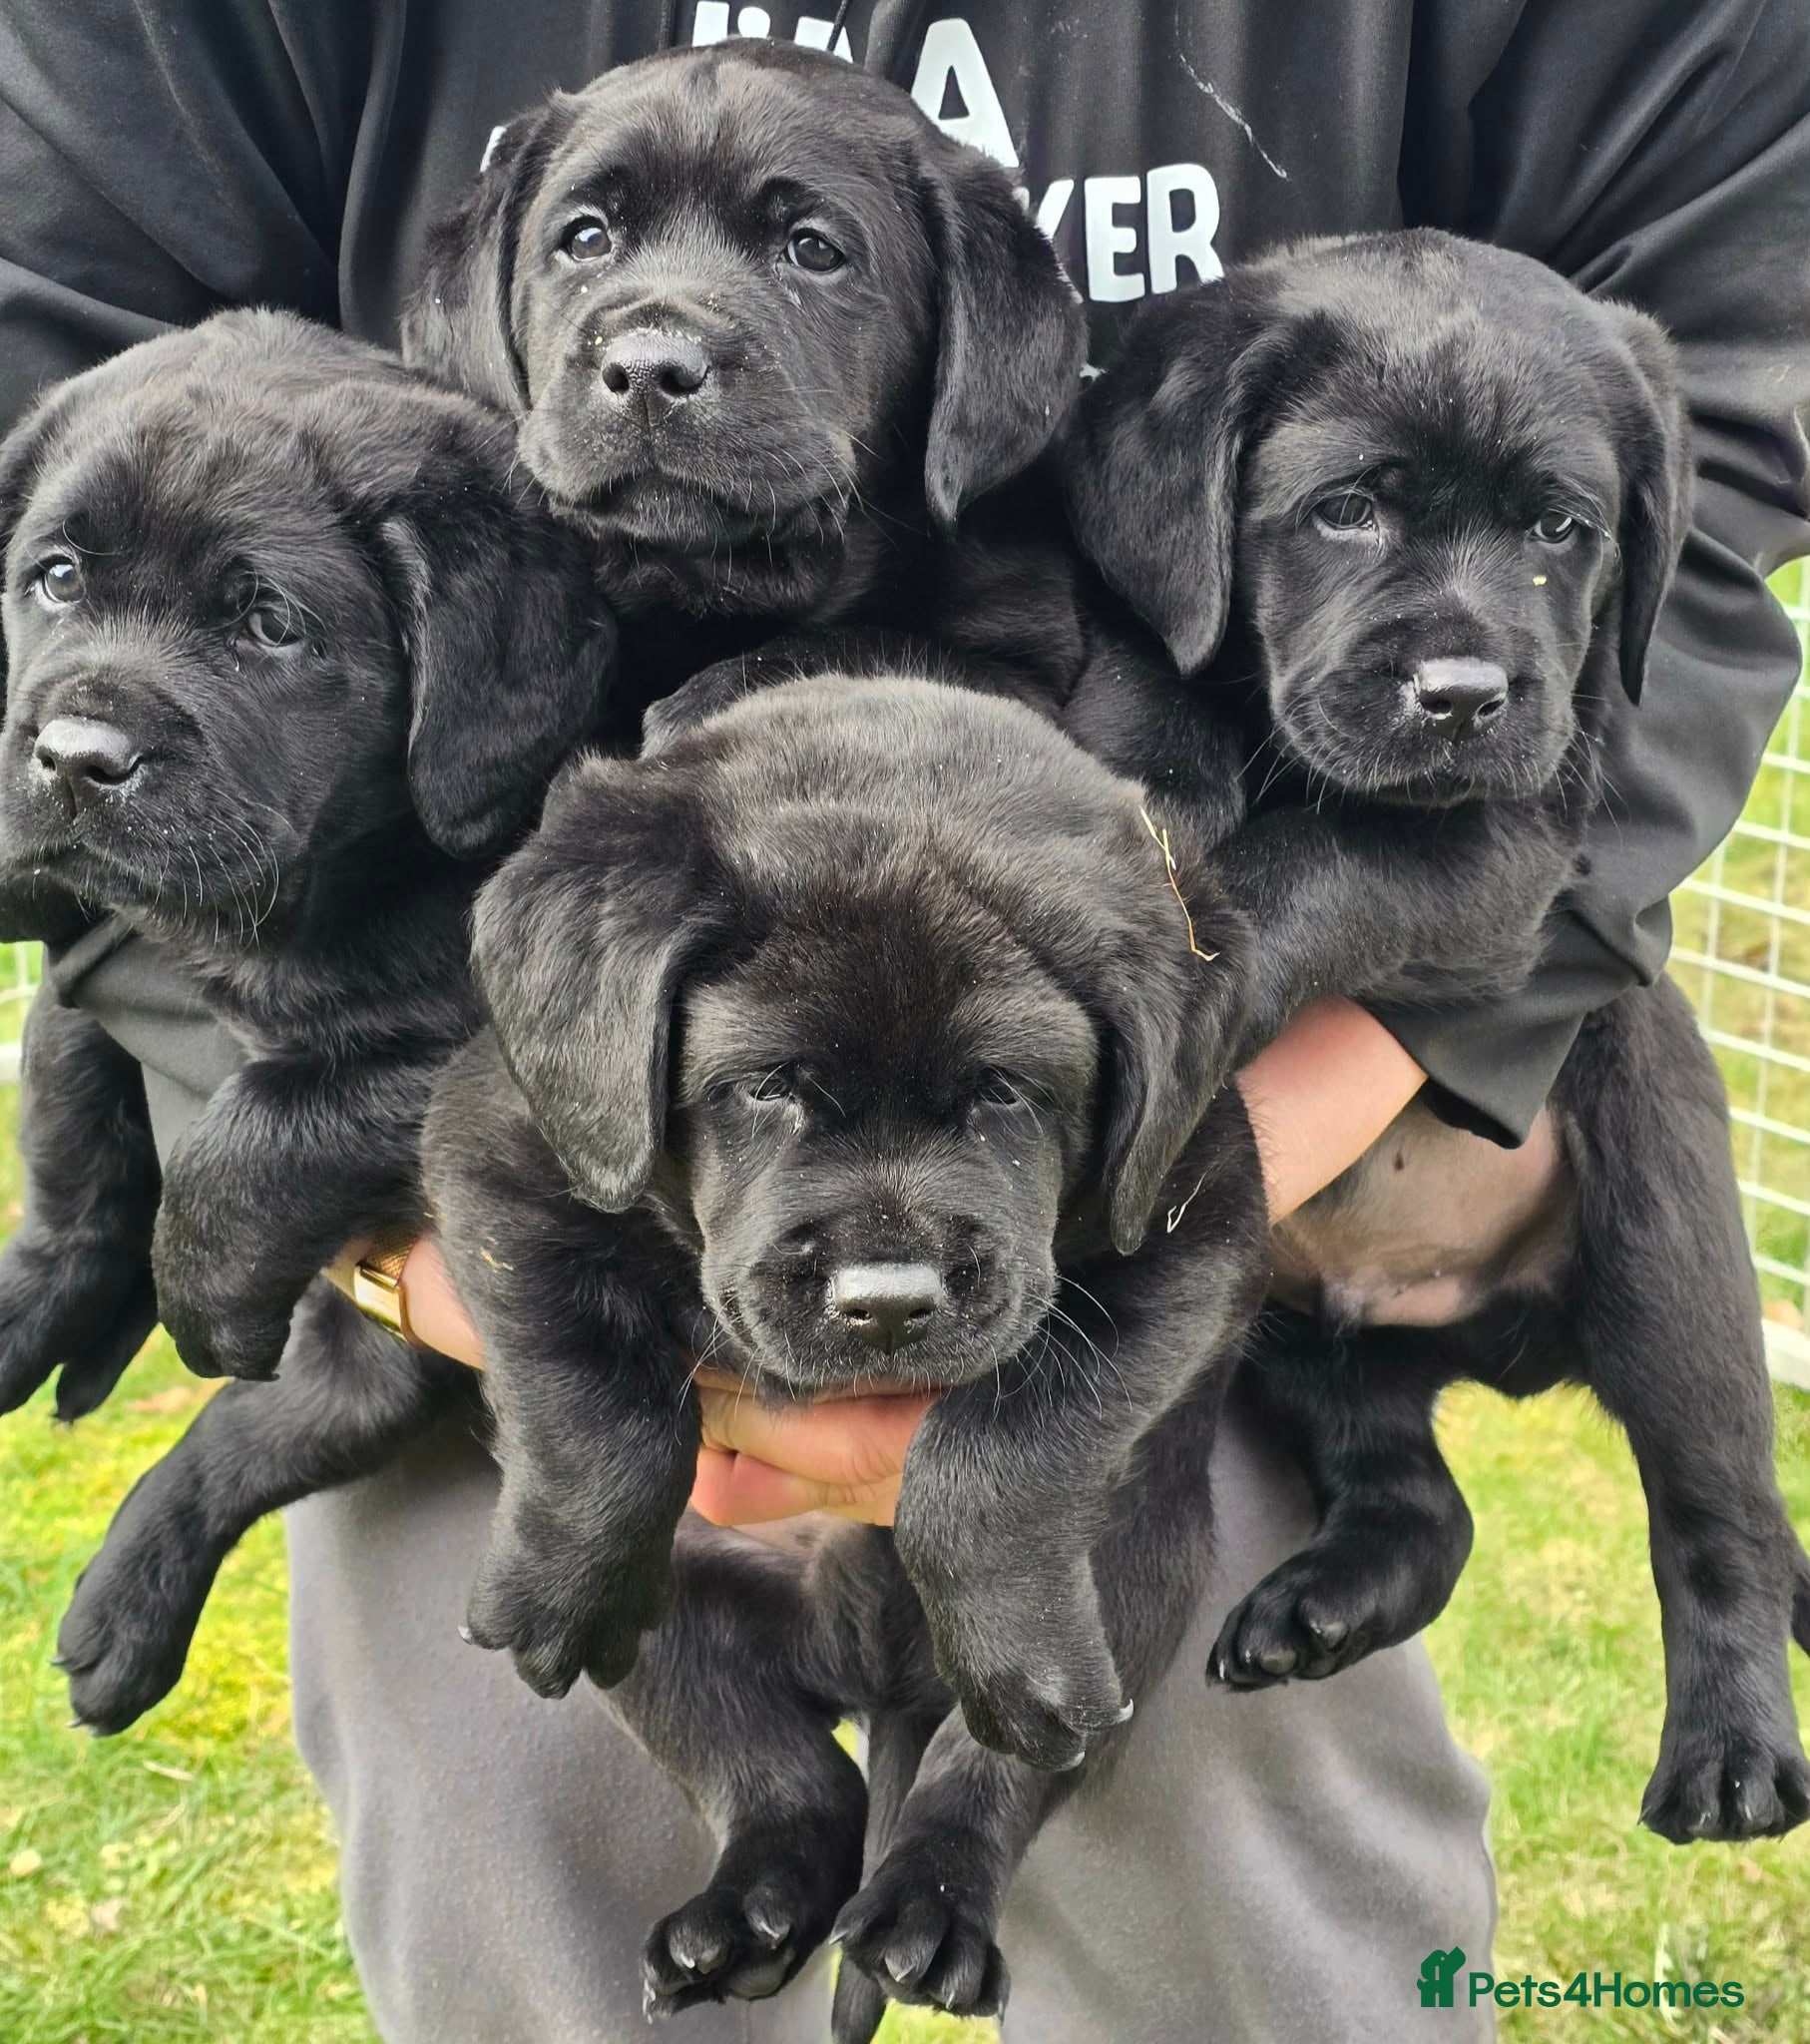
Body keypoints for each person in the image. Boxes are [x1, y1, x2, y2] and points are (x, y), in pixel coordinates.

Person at [5, 3, 1807, 2039]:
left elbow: (1715, 453)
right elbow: (81, 496)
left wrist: (1204, 1155)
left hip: (1154, 1105)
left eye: (800, 251)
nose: (662, 340)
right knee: (526, 1793)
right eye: (592, 252)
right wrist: (459, 1277)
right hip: (512, 1086)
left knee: (1231, 1841)